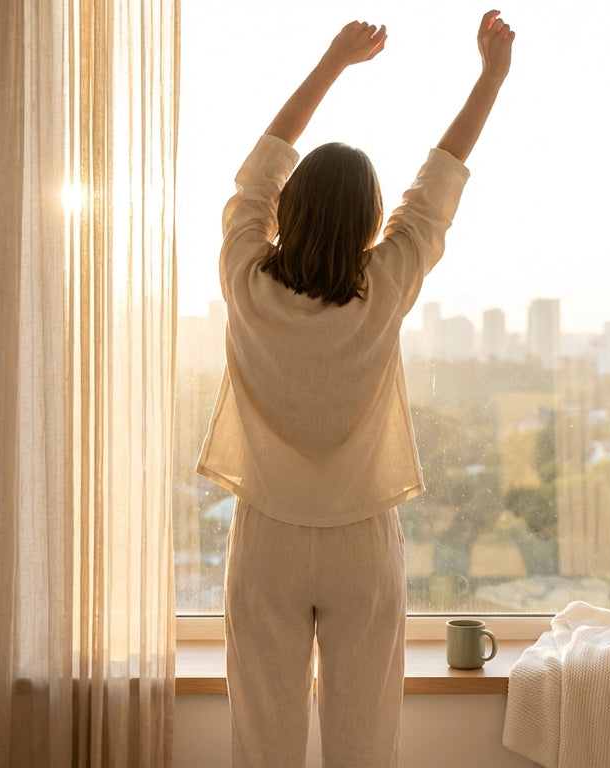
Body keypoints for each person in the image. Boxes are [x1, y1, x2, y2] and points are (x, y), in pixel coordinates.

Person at [196, 10, 515, 767]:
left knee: (261, 744)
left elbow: (262, 168)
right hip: (361, 540)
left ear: (289, 210)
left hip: (267, 534)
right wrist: (490, 78)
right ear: (371, 219)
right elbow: (438, 182)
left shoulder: (245, 276)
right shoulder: (384, 284)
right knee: (364, 743)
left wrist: (333, 63)